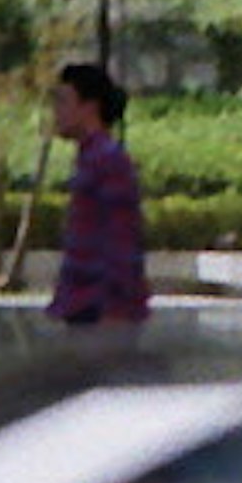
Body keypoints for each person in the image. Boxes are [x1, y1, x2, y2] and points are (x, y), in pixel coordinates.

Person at [47, 57, 150, 337]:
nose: (56, 112)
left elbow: (123, 239)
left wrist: (115, 309)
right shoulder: (92, 158)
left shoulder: (107, 160)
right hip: (85, 305)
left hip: (100, 309)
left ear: (88, 107)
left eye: (63, 102)